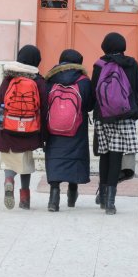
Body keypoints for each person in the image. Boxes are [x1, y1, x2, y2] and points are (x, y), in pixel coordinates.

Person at [91, 32, 138, 216]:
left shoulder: (99, 65)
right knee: (116, 157)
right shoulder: (131, 64)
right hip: (125, 117)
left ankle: (103, 194)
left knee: (104, 156)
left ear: (105, 46)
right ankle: (111, 203)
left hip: (103, 117)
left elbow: (94, 92)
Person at [0, 44, 47, 210]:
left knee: (9, 162)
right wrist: (42, 134)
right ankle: (25, 198)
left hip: (8, 128)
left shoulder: (9, 78)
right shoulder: (38, 81)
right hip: (29, 130)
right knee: (25, 165)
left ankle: (9, 180)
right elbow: (44, 109)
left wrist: (0, 126)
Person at [42, 48, 94, 212]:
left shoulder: (50, 79)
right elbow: (90, 105)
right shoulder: (84, 81)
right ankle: (72, 192)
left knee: (55, 159)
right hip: (76, 129)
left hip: (53, 129)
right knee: (74, 159)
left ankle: (54, 197)